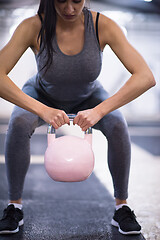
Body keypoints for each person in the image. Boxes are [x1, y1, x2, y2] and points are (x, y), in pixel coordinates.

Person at [0, 0, 155, 236]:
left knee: (116, 123)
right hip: (42, 94)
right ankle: (14, 206)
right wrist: (41, 109)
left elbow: (145, 76)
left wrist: (99, 110)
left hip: (90, 95)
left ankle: (122, 206)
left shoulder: (103, 25)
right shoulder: (33, 26)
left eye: (77, 0)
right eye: (62, 0)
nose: (70, 9)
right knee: (19, 122)